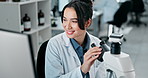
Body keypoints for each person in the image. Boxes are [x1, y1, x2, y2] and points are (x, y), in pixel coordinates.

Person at [45, 1, 106, 78]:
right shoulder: (54, 44)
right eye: (65, 20)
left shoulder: (97, 44)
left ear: (87, 23)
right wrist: (82, 70)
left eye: (74, 21)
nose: (67, 26)